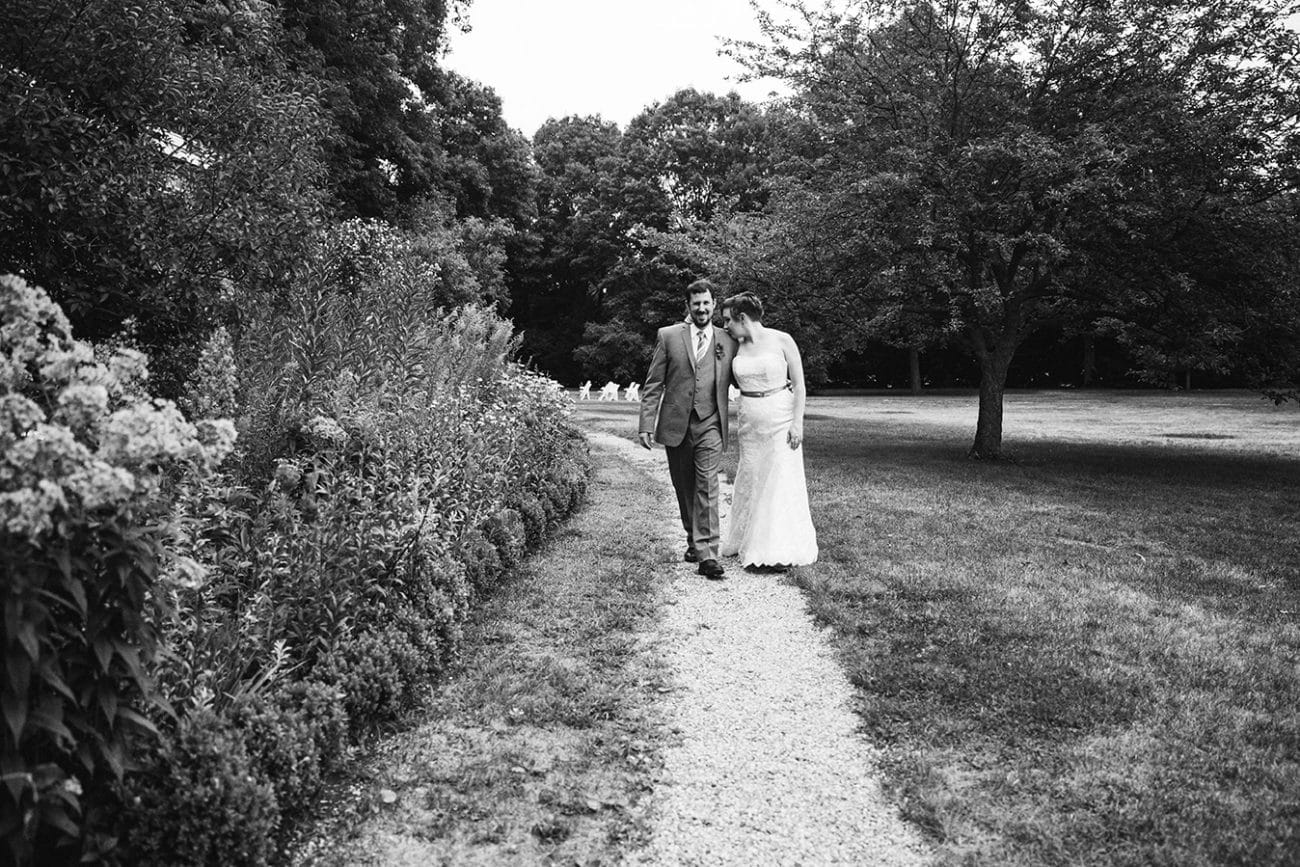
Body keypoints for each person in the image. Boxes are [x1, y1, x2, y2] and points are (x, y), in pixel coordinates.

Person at [638, 279, 739, 579]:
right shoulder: (669, 336)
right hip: (676, 423)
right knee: (685, 488)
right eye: (696, 304)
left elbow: (742, 376)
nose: (702, 308)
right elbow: (654, 383)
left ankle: (708, 554)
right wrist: (646, 423)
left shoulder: (727, 339)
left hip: (710, 422)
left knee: (708, 485)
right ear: (688, 306)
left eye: (706, 303)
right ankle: (693, 539)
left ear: (713, 303)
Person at [718, 292, 818, 569]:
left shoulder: (782, 340)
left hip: (781, 418)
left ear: (742, 317)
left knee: (777, 480)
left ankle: (772, 549)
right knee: (751, 476)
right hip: (749, 421)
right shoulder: (733, 344)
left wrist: (797, 423)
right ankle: (742, 539)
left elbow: (799, 385)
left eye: (728, 320)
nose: (725, 326)